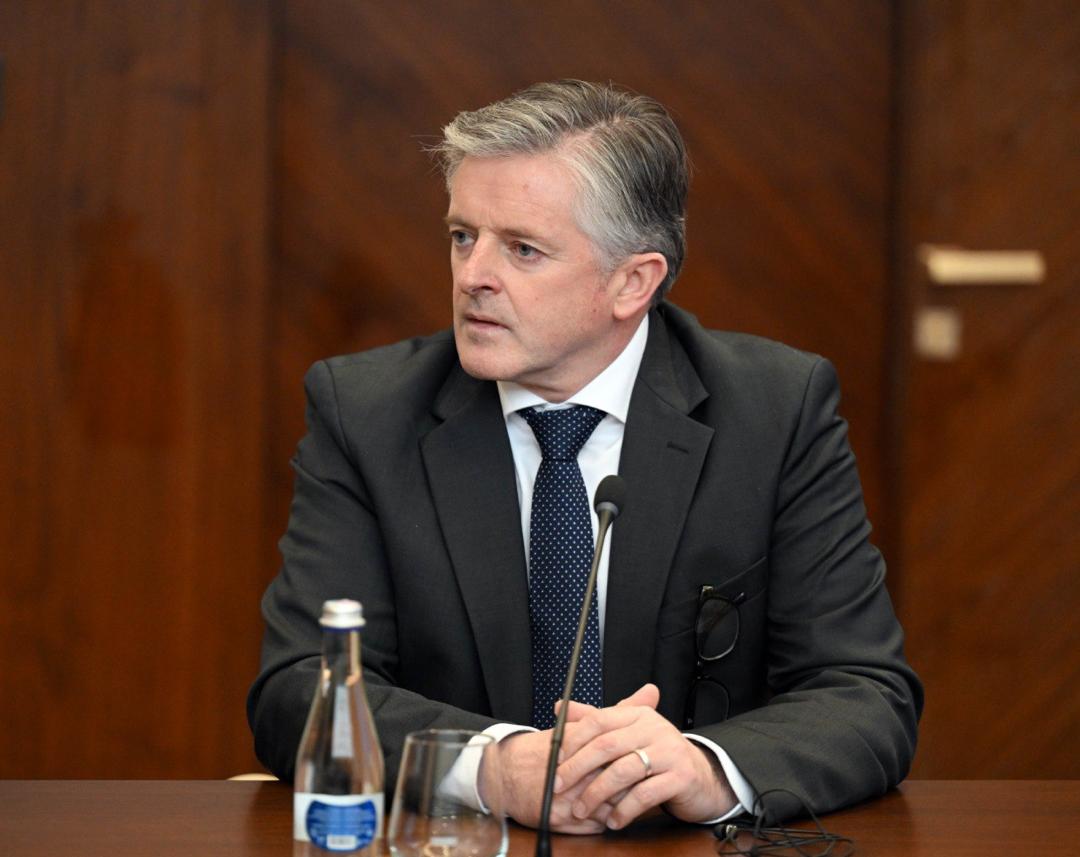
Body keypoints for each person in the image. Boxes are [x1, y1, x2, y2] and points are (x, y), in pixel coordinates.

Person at [248, 79, 922, 832]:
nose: (472, 276)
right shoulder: (367, 413)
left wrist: (703, 768)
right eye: (462, 236)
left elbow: (865, 693)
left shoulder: (773, 412)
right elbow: (300, 688)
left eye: (522, 249)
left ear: (633, 282)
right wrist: (493, 767)